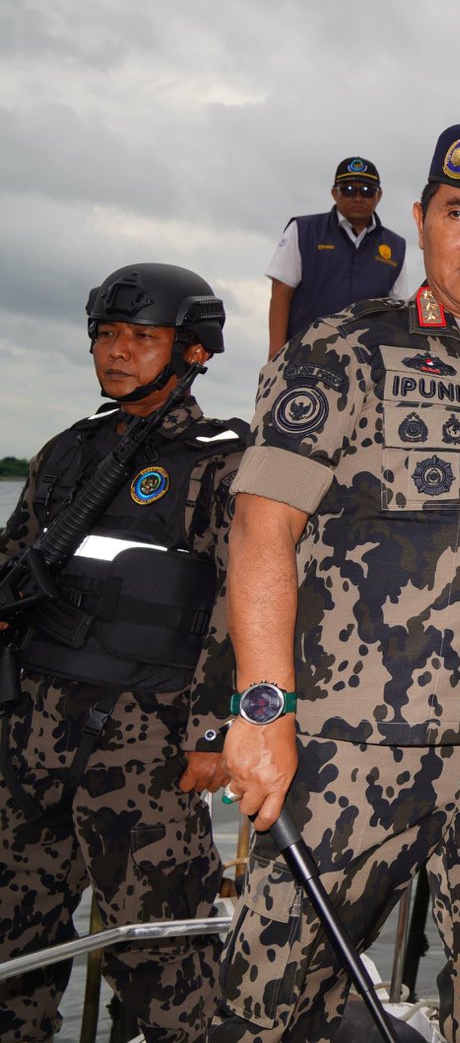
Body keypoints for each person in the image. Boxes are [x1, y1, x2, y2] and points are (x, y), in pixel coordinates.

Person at [217, 125, 460, 1042]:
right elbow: (262, 528)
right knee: (273, 1008)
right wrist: (264, 708)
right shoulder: (343, 348)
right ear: (420, 223)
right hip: (352, 749)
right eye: (458, 213)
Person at [0, 264, 244, 1042]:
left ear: (193, 352)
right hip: (33, 729)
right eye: (108, 333)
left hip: (145, 746)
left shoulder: (221, 463)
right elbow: (17, 565)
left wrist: (214, 731)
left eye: (142, 336)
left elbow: (243, 603)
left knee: (162, 947)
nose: (118, 351)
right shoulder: (66, 452)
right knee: (15, 931)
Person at [264, 155, 410, 355]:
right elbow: (281, 293)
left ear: (379, 195)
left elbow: (398, 309)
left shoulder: (396, 246)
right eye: (348, 190)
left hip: (366, 361)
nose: (358, 197)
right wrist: (275, 355)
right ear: (334, 193)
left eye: (366, 191)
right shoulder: (303, 230)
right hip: (304, 354)